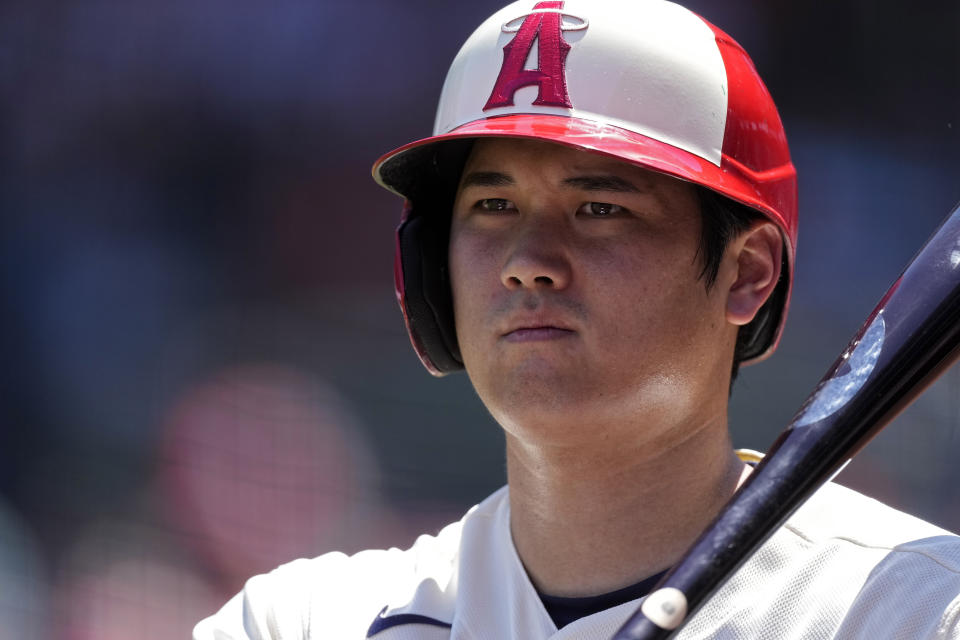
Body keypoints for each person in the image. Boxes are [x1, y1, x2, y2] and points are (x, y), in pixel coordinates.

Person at [194, 1, 960, 638]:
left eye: (600, 208)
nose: (529, 260)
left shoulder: (911, 611)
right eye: (493, 206)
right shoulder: (301, 623)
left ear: (746, 271)